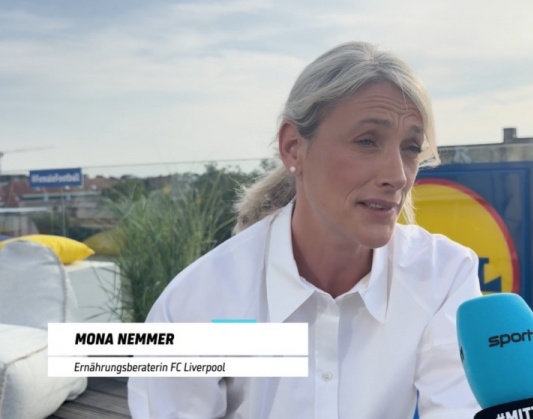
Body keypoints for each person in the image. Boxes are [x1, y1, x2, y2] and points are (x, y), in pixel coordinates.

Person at [128, 41, 482, 418]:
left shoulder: (443, 276)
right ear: (293, 148)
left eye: (410, 147)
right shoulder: (196, 302)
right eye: (367, 141)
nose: (397, 176)